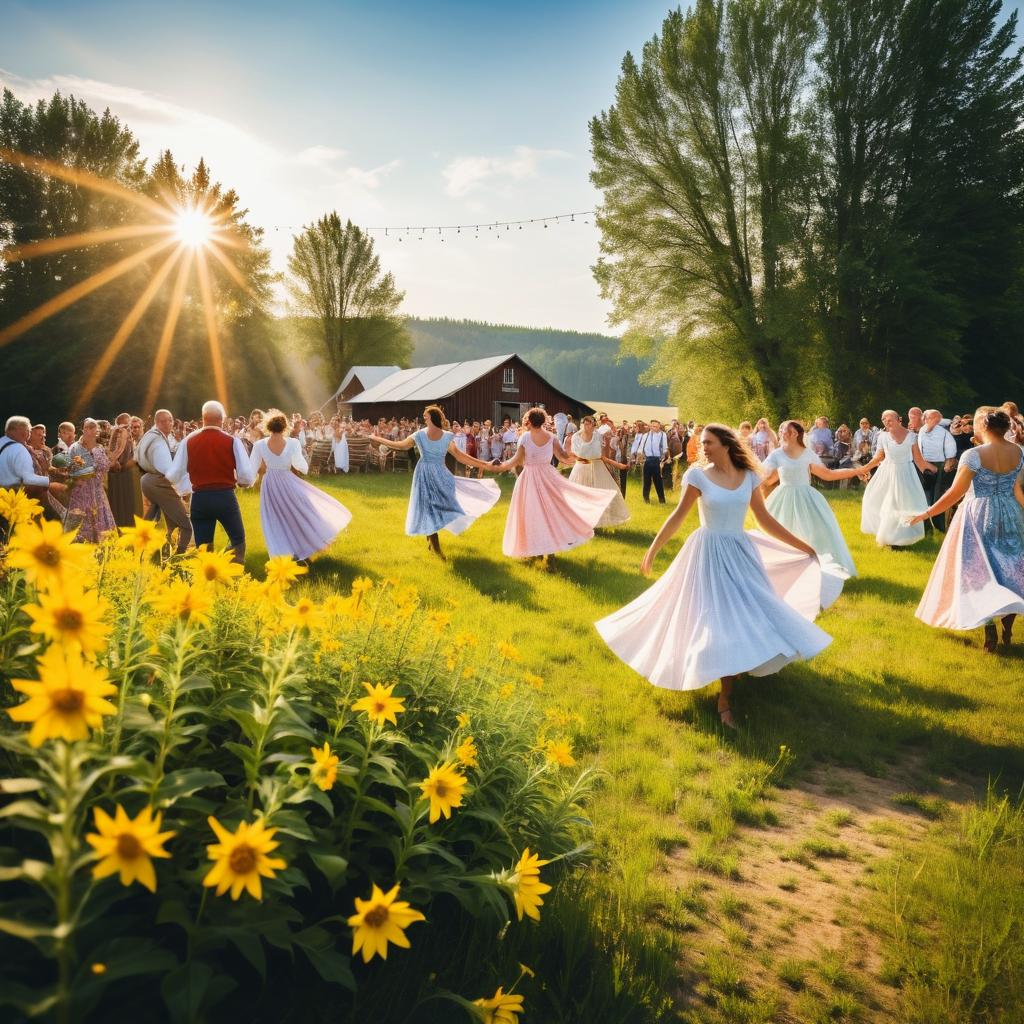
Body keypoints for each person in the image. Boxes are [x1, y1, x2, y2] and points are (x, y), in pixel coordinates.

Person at [596, 424, 839, 729]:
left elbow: (764, 520)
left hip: (740, 552)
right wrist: (652, 551)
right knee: (717, 619)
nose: (703, 448)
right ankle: (724, 699)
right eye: (702, 443)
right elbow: (677, 517)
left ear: (726, 444)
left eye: (708, 442)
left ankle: (738, 668)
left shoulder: (749, 476)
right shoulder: (697, 476)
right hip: (708, 553)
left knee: (750, 614)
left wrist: (804, 546)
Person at [912, 408, 1024, 652]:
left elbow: (955, 493)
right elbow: (1018, 490)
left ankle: (989, 628)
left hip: (978, 515)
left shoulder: (973, 455)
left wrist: (927, 512)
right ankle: (1006, 628)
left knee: (979, 572)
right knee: (1009, 570)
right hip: (1010, 514)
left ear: (983, 426)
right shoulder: (1019, 452)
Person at [370, 404, 501, 559]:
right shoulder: (419, 434)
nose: (423, 417)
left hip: (441, 474)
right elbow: (401, 446)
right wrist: (378, 439)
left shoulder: (446, 436)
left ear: (432, 417)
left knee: (442, 507)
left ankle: (432, 538)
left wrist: (485, 464)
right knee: (428, 508)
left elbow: (461, 456)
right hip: (423, 474)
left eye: (426, 415)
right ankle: (435, 546)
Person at [498, 407, 616, 566]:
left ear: (529, 421)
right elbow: (565, 458)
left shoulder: (525, 437)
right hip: (549, 477)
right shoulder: (551, 437)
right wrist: (580, 457)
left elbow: (516, 461)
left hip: (529, 479)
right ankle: (547, 551)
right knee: (549, 514)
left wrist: (498, 466)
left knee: (531, 514)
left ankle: (537, 552)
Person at [759, 421, 866, 577]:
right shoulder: (776, 454)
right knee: (781, 533)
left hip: (806, 498)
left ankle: (816, 569)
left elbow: (828, 475)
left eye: (784, 429)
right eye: (781, 429)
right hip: (783, 498)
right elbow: (765, 477)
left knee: (816, 532)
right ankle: (785, 571)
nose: (781, 431)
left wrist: (856, 471)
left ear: (795, 433)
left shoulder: (808, 454)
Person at [249, 410, 351, 561]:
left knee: (275, 518)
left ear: (268, 427)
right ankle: (303, 546)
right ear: (285, 427)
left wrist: (246, 482)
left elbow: (251, 470)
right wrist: (298, 464)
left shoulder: (259, 445)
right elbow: (301, 466)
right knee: (297, 513)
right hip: (287, 481)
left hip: (269, 484)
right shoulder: (292, 443)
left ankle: (282, 551)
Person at [167, 400, 255, 563]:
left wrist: (182, 490)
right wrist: (243, 483)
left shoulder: (188, 441)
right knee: (238, 542)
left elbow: (174, 474)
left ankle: (207, 583)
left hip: (200, 499)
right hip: (225, 497)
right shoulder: (232, 441)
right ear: (222, 419)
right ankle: (235, 581)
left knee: (204, 549)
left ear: (203, 418)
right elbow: (246, 476)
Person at [859, 409, 934, 547]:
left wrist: (933, 470)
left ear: (898, 419)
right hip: (887, 472)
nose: (887, 422)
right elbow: (878, 457)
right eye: (884, 420)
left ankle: (902, 537)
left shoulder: (911, 436)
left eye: (890, 419)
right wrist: (864, 469)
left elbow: (918, 459)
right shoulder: (882, 437)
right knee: (878, 500)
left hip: (906, 472)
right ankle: (890, 538)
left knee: (905, 503)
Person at [0, 416, 67, 541]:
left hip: (19, 499)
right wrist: (49, 482)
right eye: (28, 431)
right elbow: (28, 479)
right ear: (21, 431)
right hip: (18, 501)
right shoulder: (18, 449)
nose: (29, 434)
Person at [136, 409, 193, 555]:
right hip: (158, 483)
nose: (167, 424)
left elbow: (175, 450)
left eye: (170, 420)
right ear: (156, 423)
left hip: (148, 481)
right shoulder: (159, 442)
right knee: (186, 526)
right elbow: (169, 472)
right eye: (163, 421)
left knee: (156, 519)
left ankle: (142, 549)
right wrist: (185, 489)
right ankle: (178, 556)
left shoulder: (157, 435)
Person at [64, 418, 124, 543]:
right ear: (83, 430)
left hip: (96, 489)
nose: (90, 430)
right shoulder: (75, 447)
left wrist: (114, 456)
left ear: (97, 431)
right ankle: (78, 545)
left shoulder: (99, 448)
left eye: (93, 428)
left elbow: (105, 467)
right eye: (87, 428)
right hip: (80, 489)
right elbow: (69, 467)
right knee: (80, 518)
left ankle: (102, 547)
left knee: (101, 518)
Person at [569, 415, 630, 528]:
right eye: (585, 423)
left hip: (597, 467)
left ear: (593, 425)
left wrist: (616, 464)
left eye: (589, 423)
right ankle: (581, 522)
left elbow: (601, 455)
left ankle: (596, 522)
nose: (587, 426)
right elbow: (574, 455)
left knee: (602, 493)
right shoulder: (576, 437)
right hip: (581, 467)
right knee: (581, 495)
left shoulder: (598, 436)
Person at [917, 409, 957, 533]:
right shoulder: (922, 430)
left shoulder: (944, 432)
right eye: (927, 418)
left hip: (940, 465)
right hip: (924, 465)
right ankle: (926, 525)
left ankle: (940, 526)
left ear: (938, 419)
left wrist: (948, 462)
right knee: (924, 495)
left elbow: (951, 449)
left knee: (938, 497)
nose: (928, 420)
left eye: (932, 418)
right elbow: (919, 448)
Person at [633, 420, 669, 504]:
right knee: (646, 481)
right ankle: (646, 500)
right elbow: (641, 448)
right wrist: (639, 458)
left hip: (657, 460)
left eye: (656, 426)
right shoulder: (645, 436)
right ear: (650, 426)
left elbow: (665, 448)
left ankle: (662, 500)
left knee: (658, 481)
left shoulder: (662, 435)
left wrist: (663, 459)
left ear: (659, 427)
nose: (654, 428)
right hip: (647, 460)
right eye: (653, 426)